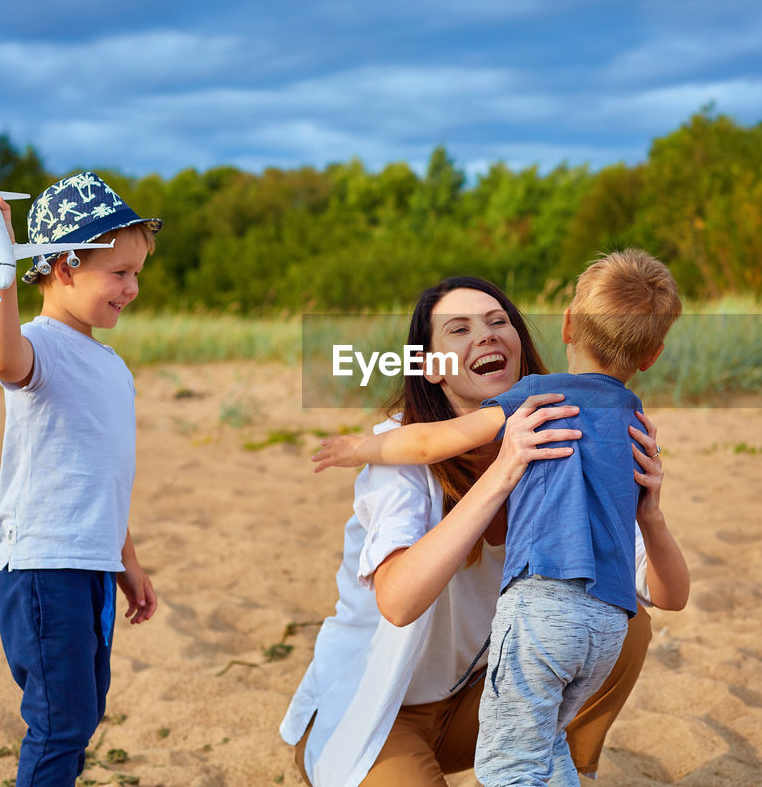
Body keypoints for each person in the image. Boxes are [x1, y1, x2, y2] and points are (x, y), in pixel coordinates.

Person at [282, 273, 689, 786]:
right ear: (431, 368)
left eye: (498, 321)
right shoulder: (398, 452)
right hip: (377, 710)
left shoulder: (565, 433)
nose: (486, 334)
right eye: (459, 329)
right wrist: (502, 473)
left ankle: (568, 769)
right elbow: (400, 602)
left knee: (625, 623)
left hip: (484, 697)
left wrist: (651, 516)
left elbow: (664, 593)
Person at [0, 172, 162, 786]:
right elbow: (2, 356)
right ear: (63, 268)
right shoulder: (39, 346)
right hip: (44, 564)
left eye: (136, 273)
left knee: (84, 710)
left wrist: (125, 560)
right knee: (61, 719)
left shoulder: (110, 365)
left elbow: (100, 479)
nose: (131, 288)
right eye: (118, 273)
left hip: (91, 564)